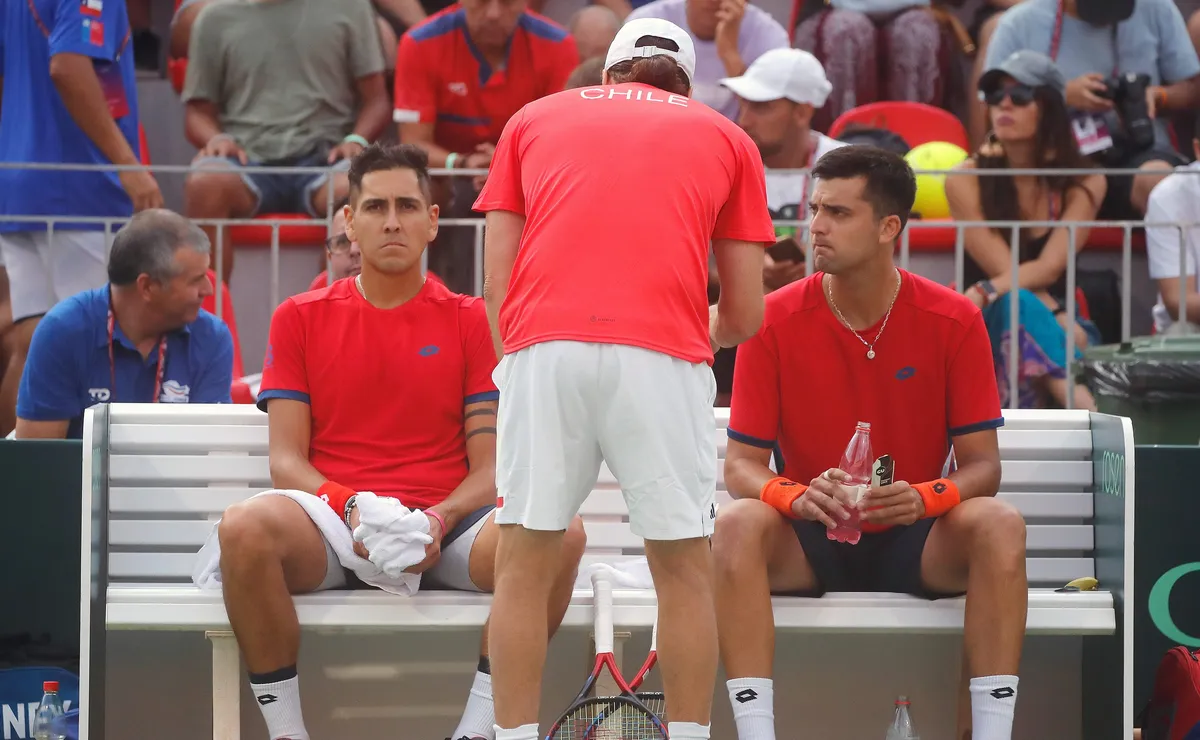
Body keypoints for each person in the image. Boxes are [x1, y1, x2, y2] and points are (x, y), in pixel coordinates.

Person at [213, 144, 586, 740]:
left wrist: (439, 518)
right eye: (376, 206)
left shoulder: (470, 319)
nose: (392, 221)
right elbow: (286, 461)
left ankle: (475, 731)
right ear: (349, 223)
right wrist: (355, 506)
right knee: (241, 529)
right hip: (336, 529)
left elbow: (491, 467)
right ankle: (287, 734)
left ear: (433, 221)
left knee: (562, 535)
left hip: (450, 532)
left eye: (408, 206)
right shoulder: (298, 317)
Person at [474, 19, 774, 740]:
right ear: (686, 81)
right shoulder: (728, 137)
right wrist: (683, 334)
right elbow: (746, 311)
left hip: (544, 349)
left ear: (608, 75)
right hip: (661, 359)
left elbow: (495, 288)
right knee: (683, 570)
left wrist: (522, 363)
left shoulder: (532, 118)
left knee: (523, 565)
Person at [714, 145, 1027, 740]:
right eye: (814, 209)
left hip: (918, 536)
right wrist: (795, 496)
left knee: (1000, 524)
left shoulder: (954, 318)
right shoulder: (770, 317)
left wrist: (927, 497)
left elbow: (984, 467)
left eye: (838, 213)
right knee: (734, 525)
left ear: (890, 228)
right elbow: (742, 467)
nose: (816, 227)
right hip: (810, 536)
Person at [0, 0, 163, 440]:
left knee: (32, 343)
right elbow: (67, 66)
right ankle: (87, 493)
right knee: (98, 344)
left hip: (21, 185)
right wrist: (129, 165)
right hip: (80, 193)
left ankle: (16, 486)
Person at [181, 0, 391, 281]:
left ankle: (332, 313)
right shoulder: (214, 16)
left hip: (326, 159)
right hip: (243, 161)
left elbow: (377, 101)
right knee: (204, 183)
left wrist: (356, 139)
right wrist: (216, 138)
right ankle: (210, 316)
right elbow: (197, 113)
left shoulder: (351, 7)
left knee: (360, 187)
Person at [945, 50, 1101, 410]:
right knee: (1017, 302)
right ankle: (1091, 417)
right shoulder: (964, 179)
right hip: (987, 327)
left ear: (1050, 106)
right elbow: (1006, 268)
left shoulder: (1086, 180)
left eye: (1020, 96)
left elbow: (1049, 267)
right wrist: (1054, 313)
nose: (1004, 105)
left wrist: (984, 289)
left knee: (1037, 313)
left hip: (1059, 321)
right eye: (995, 96)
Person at [394, 0, 578, 292]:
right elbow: (412, 143)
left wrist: (506, 165)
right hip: (450, 176)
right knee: (418, 191)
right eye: (481, 2)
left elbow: (562, 140)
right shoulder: (420, 42)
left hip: (526, 174)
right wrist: (462, 163)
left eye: (506, 3)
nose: (493, 13)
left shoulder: (557, 45)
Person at [15, 210, 233, 440]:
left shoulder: (212, 337)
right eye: (196, 279)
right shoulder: (62, 332)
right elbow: (39, 460)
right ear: (147, 286)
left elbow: (211, 452)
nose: (208, 290)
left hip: (178, 475)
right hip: (76, 477)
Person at [984, 0, 1200, 218]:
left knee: (1160, 184)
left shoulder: (1156, 7)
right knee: (1032, 188)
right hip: (1055, 160)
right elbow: (992, 103)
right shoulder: (1019, 23)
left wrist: (1158, 96)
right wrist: (1061, 95)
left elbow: (1192, 87)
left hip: (1139, 153)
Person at [793, 1, 950, 134]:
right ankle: (840, 147)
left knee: (917, 32)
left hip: (912, 12)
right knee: (847, 31)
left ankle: (915, 144)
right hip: (832, 12)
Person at [626, 0, 790, 120]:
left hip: (737, 139)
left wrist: (729, 53)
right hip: (661, 128)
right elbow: (628, 97)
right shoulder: (647, 22)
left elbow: (769, 119)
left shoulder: (770, 36)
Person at [1144, 115, 1200, 333]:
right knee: (1182, 329)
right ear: (1198, 150)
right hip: (1193, 327)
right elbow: (1178, 301)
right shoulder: (1169, 197)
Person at [307, 206, 363, 291]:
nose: (354, 250)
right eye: (342, 242)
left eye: (365, 238)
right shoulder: (318, 293)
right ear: (329, 255)